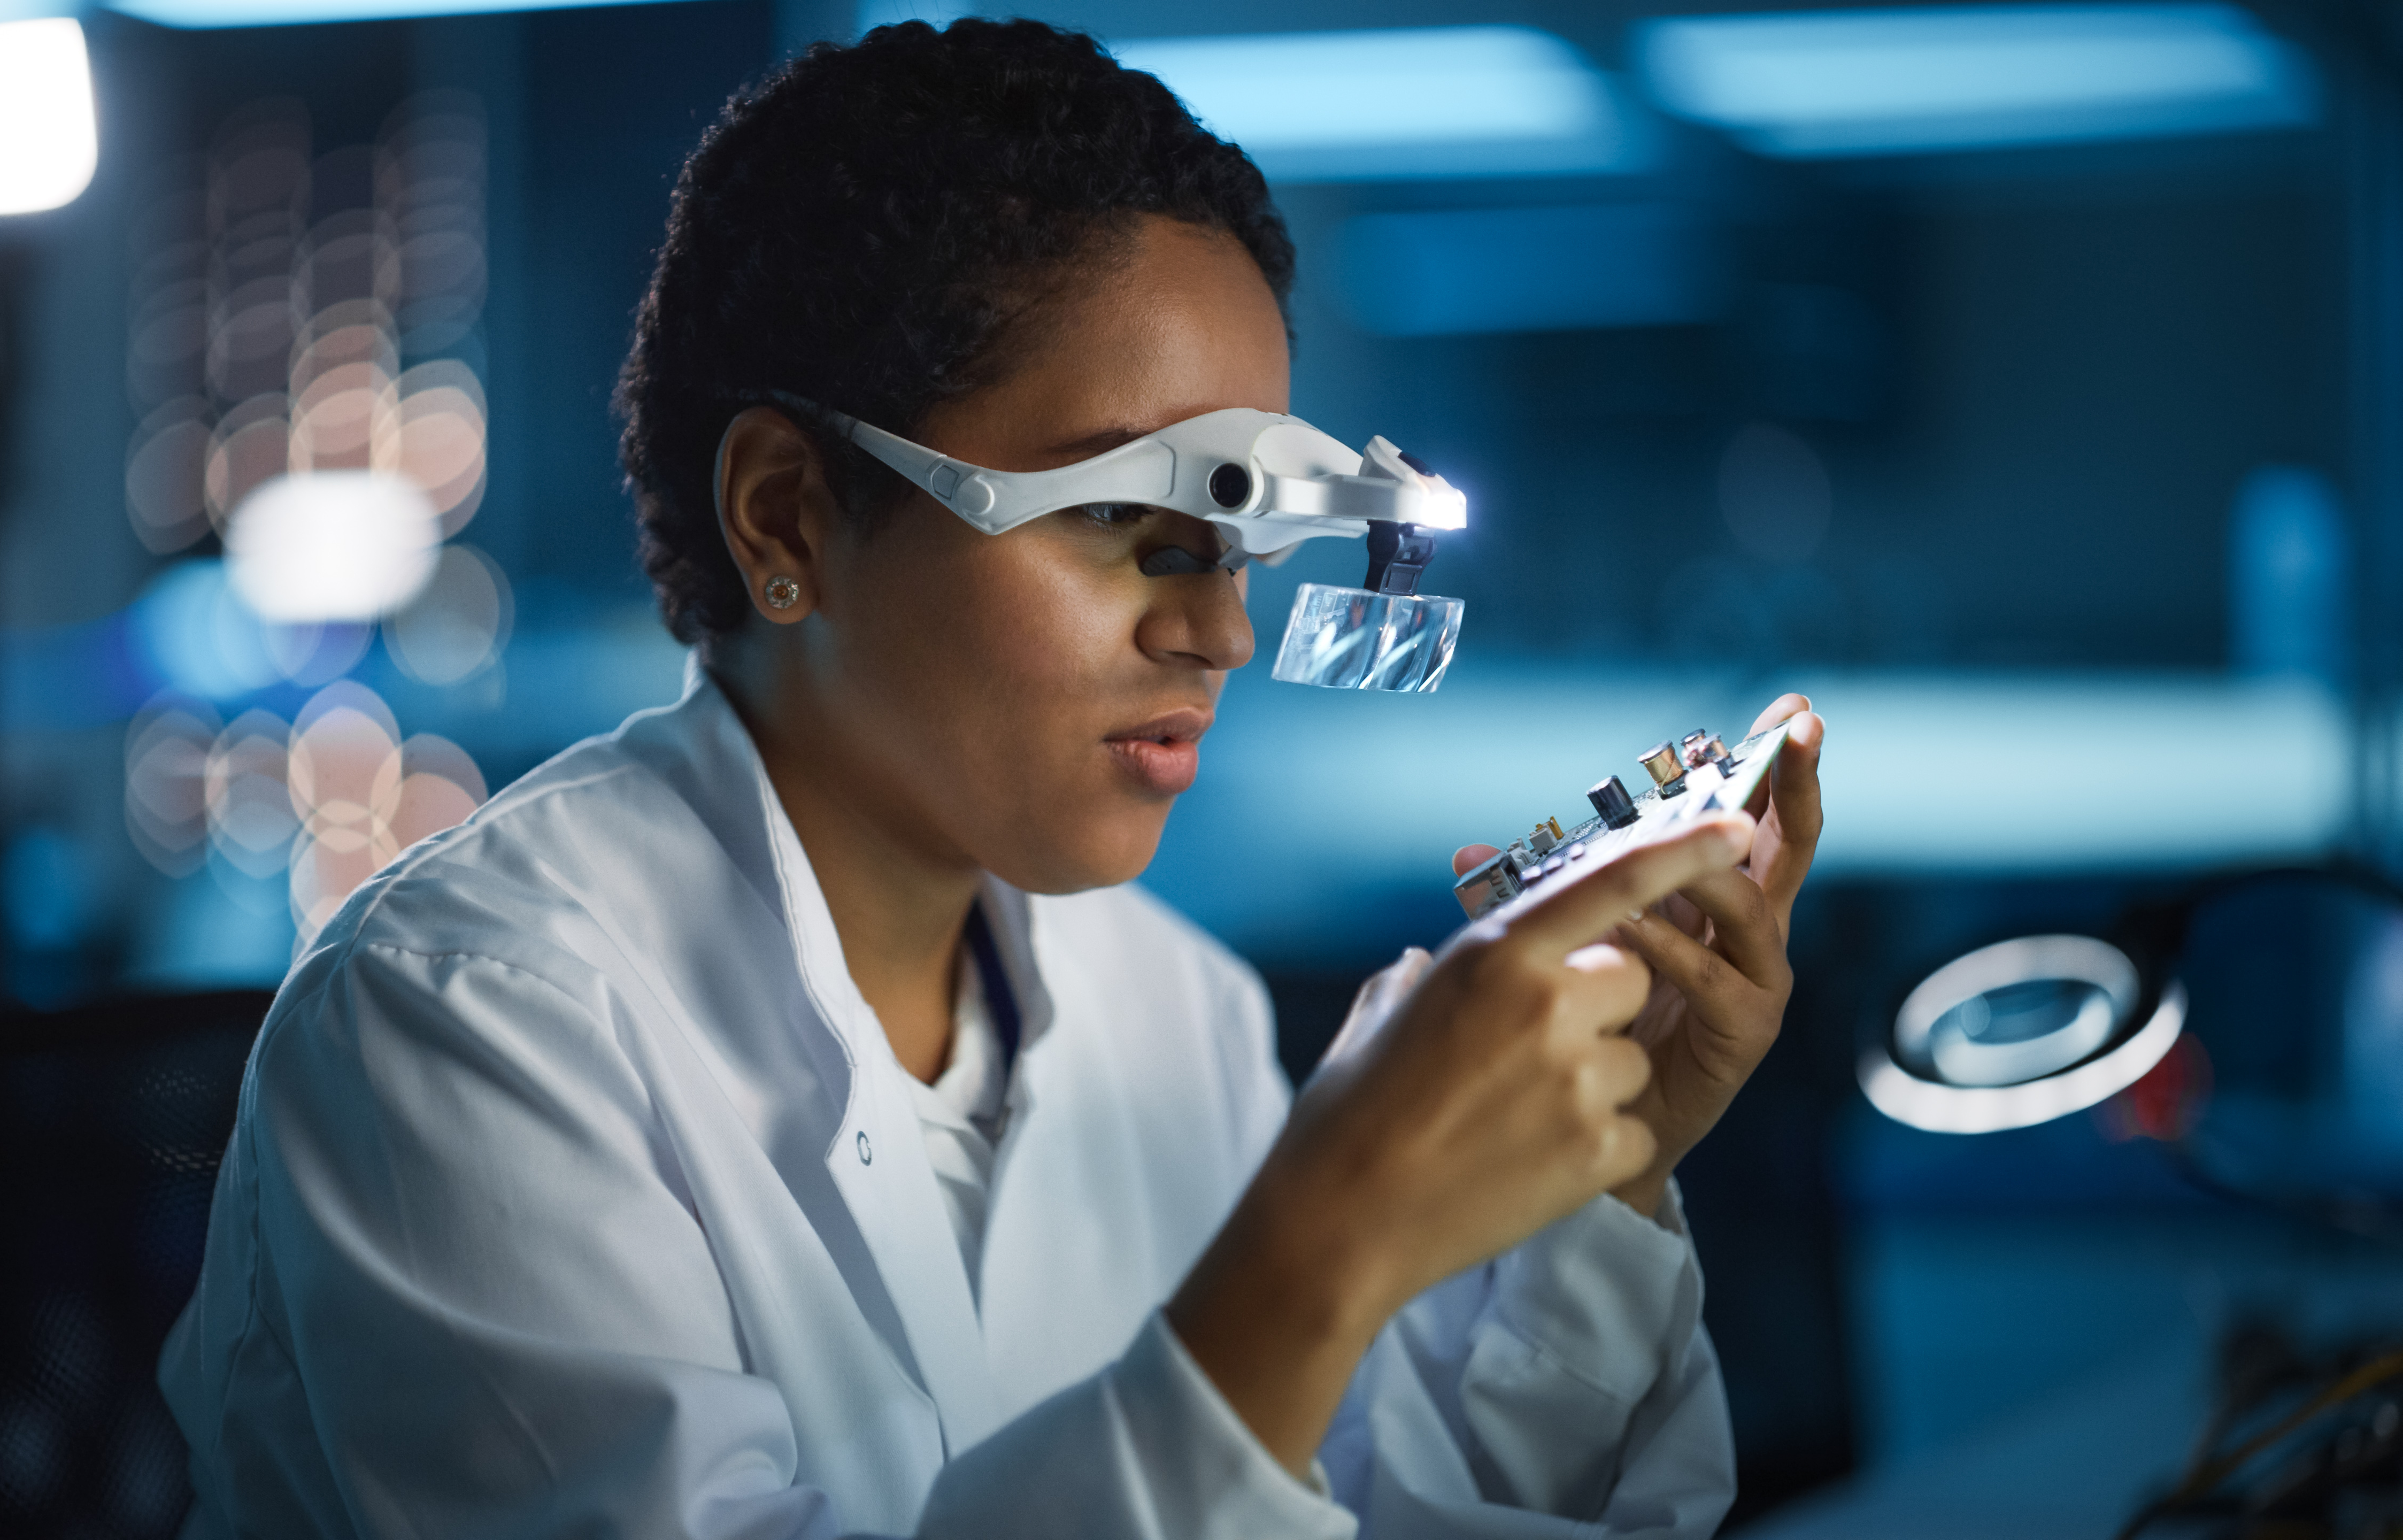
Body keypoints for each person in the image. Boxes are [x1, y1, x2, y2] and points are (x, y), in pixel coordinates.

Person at [159, 19, 1828, 1539]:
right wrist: (1328, 1236)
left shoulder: (1172, 1007)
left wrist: (1591, 1185)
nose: (1221, 631)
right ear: (789, 519)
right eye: (1132, 522)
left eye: (1246, 544)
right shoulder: (464, 1027)